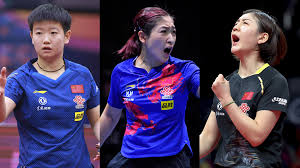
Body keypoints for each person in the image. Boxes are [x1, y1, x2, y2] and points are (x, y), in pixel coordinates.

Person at [0, 3, 100, 167]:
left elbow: (97, 123)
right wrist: (0, 95)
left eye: (53, 33)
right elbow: (1, 115)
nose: (46, 39)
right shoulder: (19, 78)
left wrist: (104, 139)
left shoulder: (82, 74)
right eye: (39, 33)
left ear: (67, 36)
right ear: (32, 36)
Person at [100, 6, 200, 168]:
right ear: (142, 36)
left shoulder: (185, 70)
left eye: (173, 32)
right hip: (132, 155)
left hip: (171, 157)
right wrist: (89, 150)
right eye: (164, 31)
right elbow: (110, 116)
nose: (171, 38)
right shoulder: (121, 72)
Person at [199, 9, 289, 167]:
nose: (235, 27)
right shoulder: (226, 83)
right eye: (235, 23)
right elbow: (207, 139)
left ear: (262, 37)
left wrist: (226, 99)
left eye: (245, 23)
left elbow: (256, 136)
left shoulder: (274, 81)